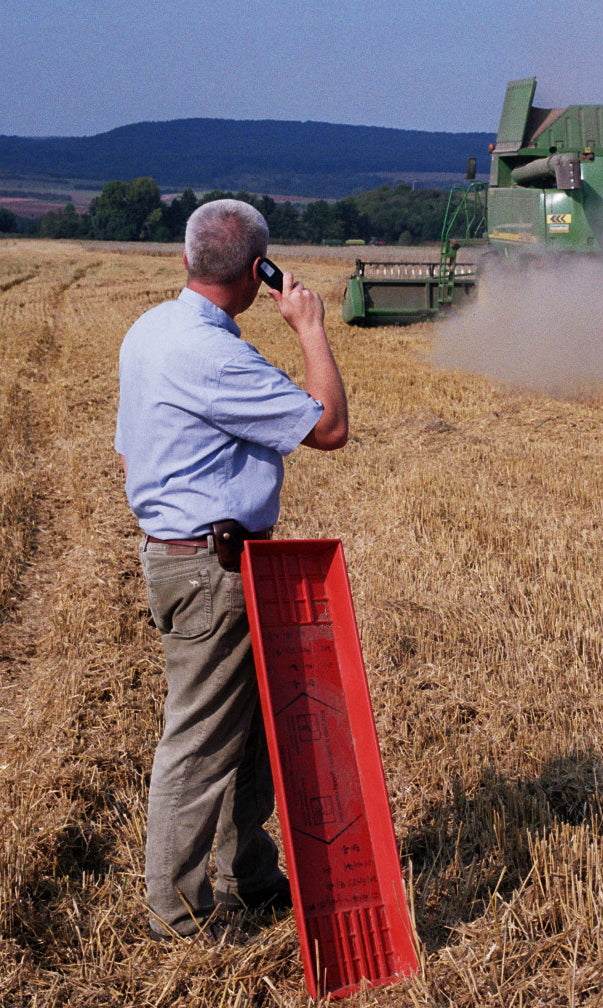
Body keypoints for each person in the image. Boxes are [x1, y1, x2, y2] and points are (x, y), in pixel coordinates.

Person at [115, 198, 349, 940]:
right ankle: (177, 915)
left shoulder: (150, 329)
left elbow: (127, 450)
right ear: (258, 272)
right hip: (212, 567)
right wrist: (311, 330)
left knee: (247, 735)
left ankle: (247, 875)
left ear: (186, 258)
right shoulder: (214, 353)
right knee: (200, 741)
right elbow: (329, 427)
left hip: (188, 556)